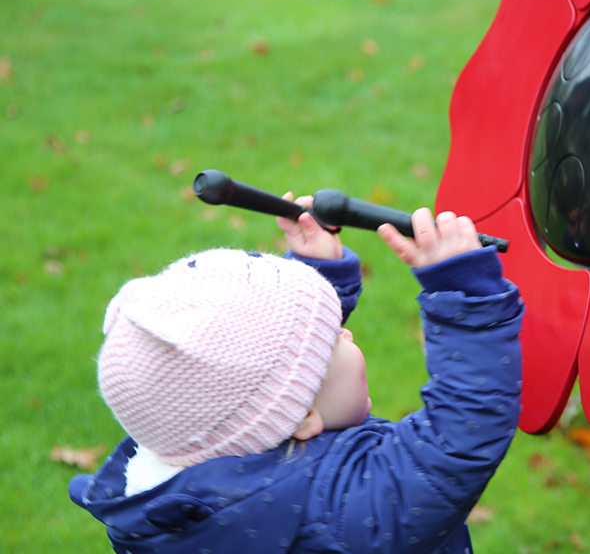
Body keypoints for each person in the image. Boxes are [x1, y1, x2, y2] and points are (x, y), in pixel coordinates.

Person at [69, 195, 523, 554]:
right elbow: (458, 438)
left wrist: (315, 273)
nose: (344, 337)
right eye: (331, 338)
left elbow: (255, 367)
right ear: (303, 417)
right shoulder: (343, 518)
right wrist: (465, 297)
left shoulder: (174, 486)